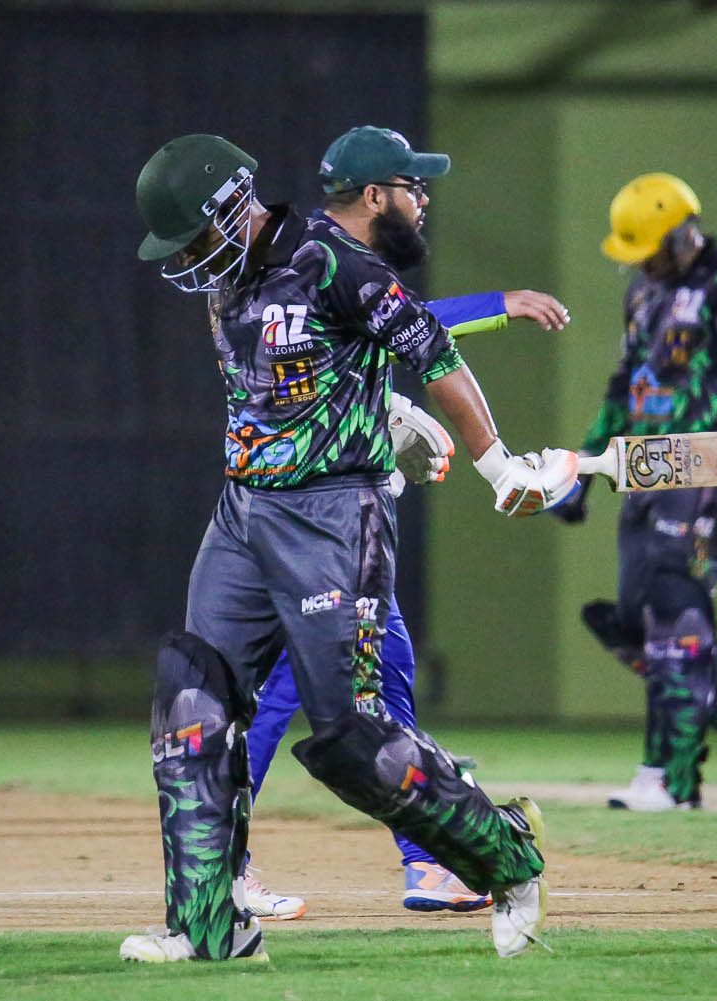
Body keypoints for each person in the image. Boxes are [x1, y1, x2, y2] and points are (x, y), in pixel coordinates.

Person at [122, 128, 578, 963]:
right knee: (191, 705)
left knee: (352, 739)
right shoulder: (228, 278)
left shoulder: (335, 262)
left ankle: (506, 853)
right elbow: (280, 378)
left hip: (333, 518)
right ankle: (211, 928)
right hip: (243, 511)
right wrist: (376, 408)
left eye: (190, 235)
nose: (185, 257)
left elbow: (433, 352)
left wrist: (497, 463)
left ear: (230, 208)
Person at [244, 283, 570, 920]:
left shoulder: (321, 287)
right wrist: (497, 307)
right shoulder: (304, 277)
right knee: (278, 694)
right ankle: (223, 860)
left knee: (390, 689)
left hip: (352, 537)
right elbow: (390, 325)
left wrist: (376, 435)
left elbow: (399, 320)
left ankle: (428, 860)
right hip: (316, 531)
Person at [557, 172, 717, 811]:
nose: (644, 264)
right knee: (634, 619)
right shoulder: (644, 290)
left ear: (684, 235)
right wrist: (584, 468)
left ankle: (673, 780)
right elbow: (624, 384)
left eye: (652, 251)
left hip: (705, 472)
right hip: (642, 472)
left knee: (674, 611)